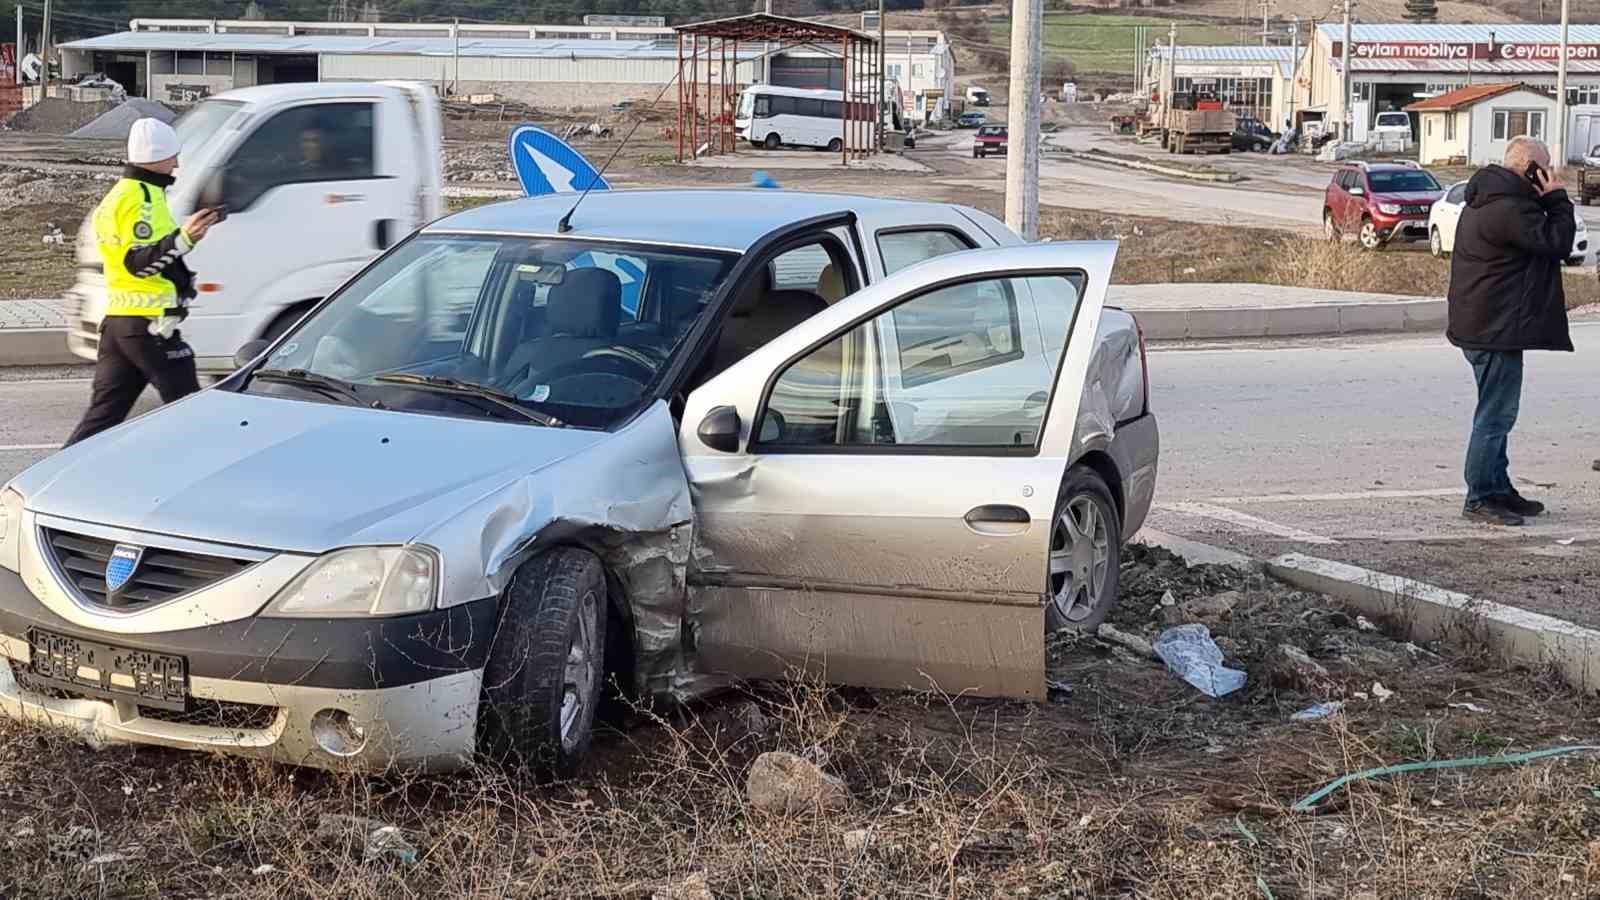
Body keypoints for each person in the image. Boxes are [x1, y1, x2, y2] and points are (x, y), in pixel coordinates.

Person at [64, 118, 222, 447]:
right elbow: (139, 263)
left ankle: (51, 480)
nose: (178, 163)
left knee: (101, 420)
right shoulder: (143, 201)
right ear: (156, 157)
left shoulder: (120, 196)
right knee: (192, 414)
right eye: (172, 156)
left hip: (120, 324)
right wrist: (185, 238)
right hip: (150, 327)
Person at [1446, 135, 1576, 526]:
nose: (1550, 174)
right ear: (1531, 170)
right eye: (1545, 167)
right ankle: (1480, 497)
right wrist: (1557, 198)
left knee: (1497, 412)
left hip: (1487, 324)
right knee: (1495, 416)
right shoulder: (1508, 208)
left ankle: (1497, 487)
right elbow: (1559, 242)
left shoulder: (1491, 199)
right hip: (1494, 328)